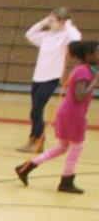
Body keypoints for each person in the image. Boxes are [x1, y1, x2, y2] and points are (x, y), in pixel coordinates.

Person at [16, 39, 99, 194]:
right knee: (76, 147)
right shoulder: (84, 71)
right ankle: (66, 181)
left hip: (67, 113)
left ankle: (25, 168)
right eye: (97, 52)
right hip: (73, 114)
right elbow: (79, 95)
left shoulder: (85, 69)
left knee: (62, 147)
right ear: (88, 55)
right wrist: (94, 82)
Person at [20, 8, 81, 153]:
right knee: (34, 110)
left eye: (53, 20)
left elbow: (76, 38)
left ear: (61, 22)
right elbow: (29, 34)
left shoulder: (66, 36)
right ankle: (33, 140)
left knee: (37, 110)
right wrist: (43, 22)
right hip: (38, 77)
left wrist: (67, 24)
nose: (50, 22)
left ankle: (38, 141)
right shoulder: (47, 35)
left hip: (51, 78)